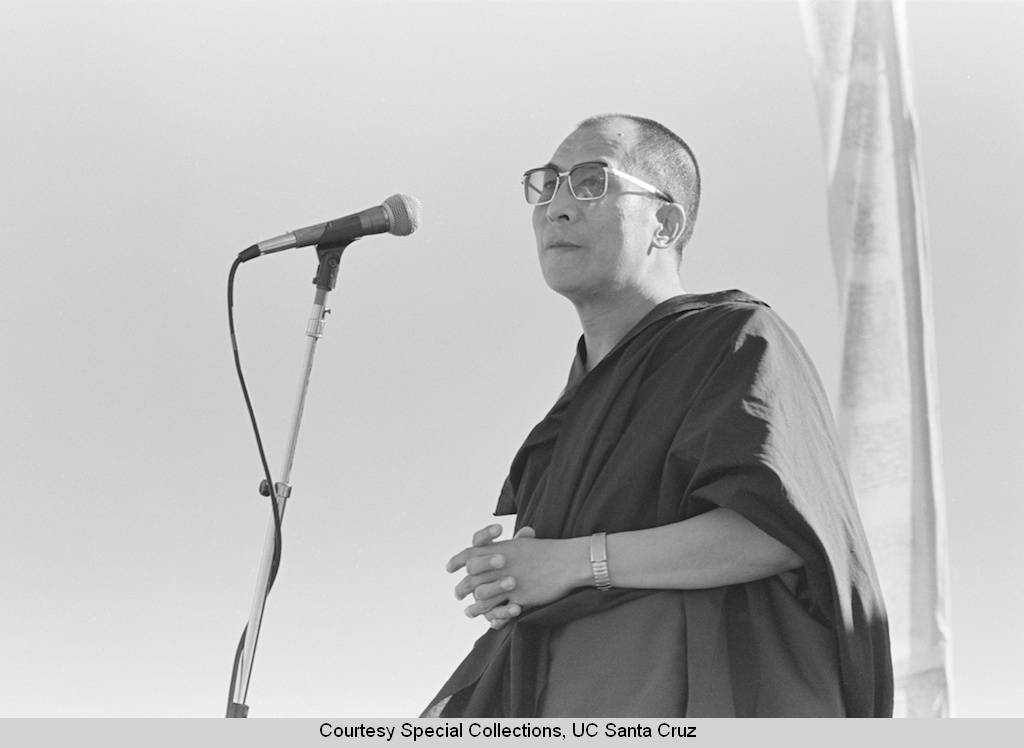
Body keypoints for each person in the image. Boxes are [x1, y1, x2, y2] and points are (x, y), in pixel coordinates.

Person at [423, 114, 893, 717]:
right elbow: (564, 575)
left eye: (591, 182)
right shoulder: (579, 402)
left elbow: (778, 531)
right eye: (548, 184)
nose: (557, 208)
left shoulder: (734, 337)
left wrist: (570, 562)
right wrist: (516, 576)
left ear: (665, 223)